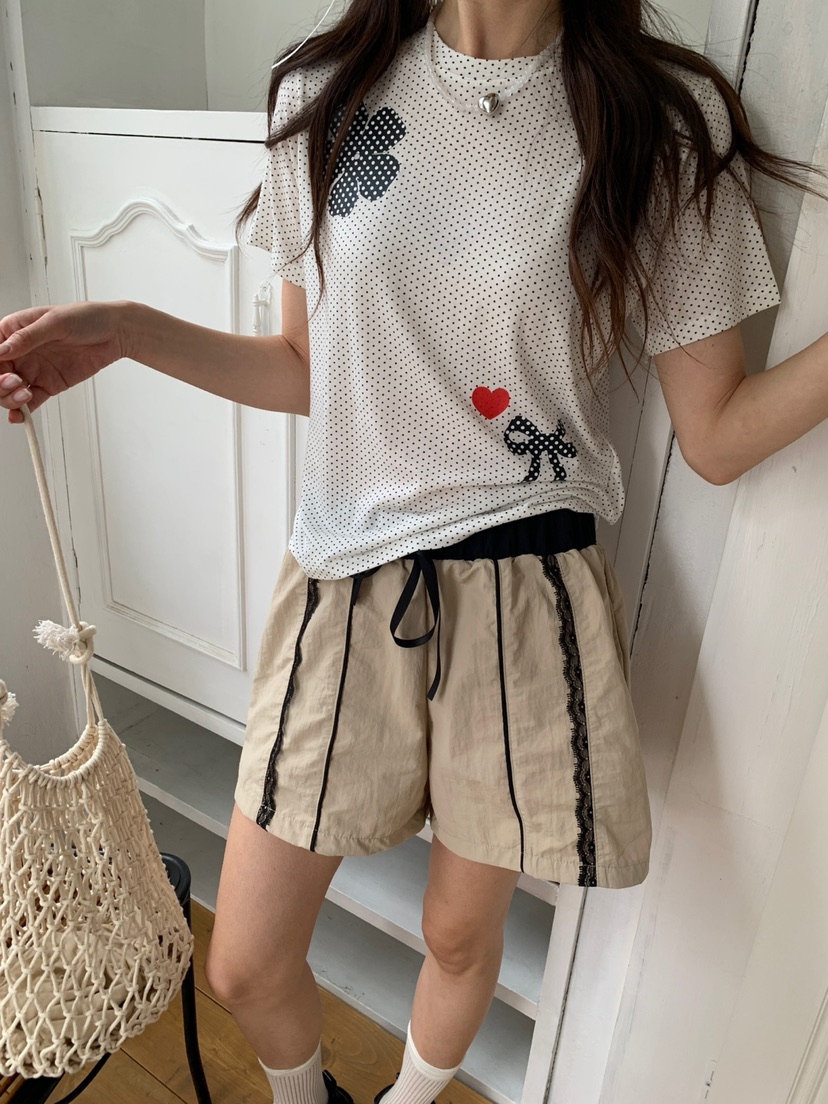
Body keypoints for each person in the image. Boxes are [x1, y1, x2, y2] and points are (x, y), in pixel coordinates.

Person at [2, 0, 827, 1101]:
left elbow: (715, 436)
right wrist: (126, 331)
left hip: (530, 590)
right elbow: (307, 365)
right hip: (347, 578)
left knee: (456, 936)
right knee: (245, 960)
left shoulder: (651, 124)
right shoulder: (325, 96)